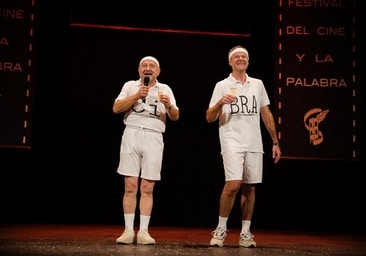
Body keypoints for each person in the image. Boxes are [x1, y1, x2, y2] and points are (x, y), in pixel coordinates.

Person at [206, 45, 281, 248]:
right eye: (236, 56)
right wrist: (220, 103)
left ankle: (245, 233)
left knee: (250, 187)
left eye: (244, 56)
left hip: (253, 142)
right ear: (230, 62)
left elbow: (266, 113)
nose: (241, 58)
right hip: (231, 140)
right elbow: (209, 117)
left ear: (247, 61)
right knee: (233, 184)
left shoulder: (257, 84)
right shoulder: (222, 85)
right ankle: (221, 229)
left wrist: (275, 141)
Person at [113, 56, 179, 245]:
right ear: (139, 70)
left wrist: (168, 105)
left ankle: (143, 231)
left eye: (152, 66)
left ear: (158, 71)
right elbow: (116, 108)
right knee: (130, 185)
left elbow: (175, 116)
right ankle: (127, 230)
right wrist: (135, 96)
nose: (148, 68)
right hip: (132, 134)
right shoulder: (130, 86)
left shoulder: (165, 89)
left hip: (154, 136)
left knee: (148, 187)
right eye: (144, 66)